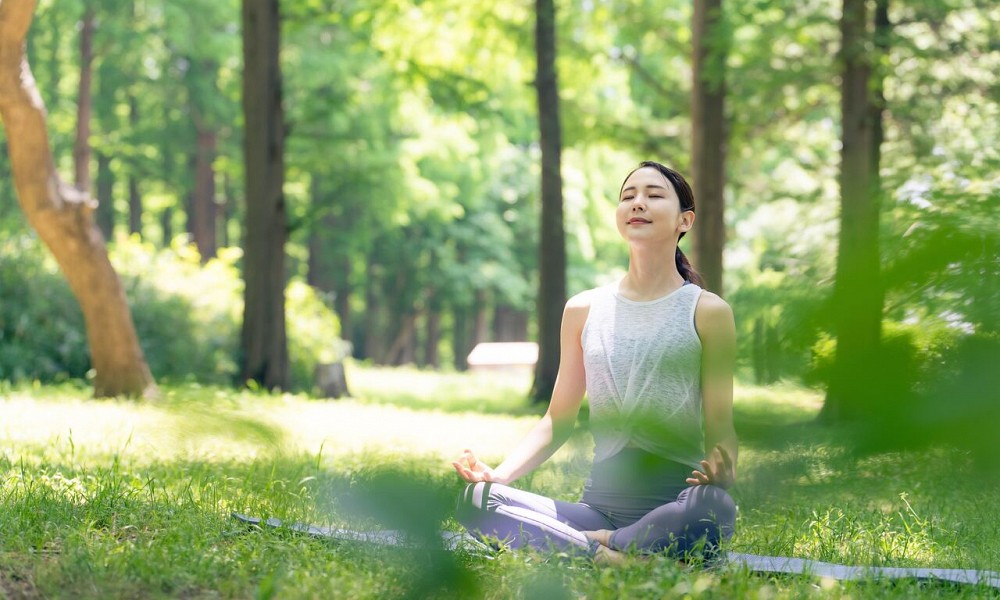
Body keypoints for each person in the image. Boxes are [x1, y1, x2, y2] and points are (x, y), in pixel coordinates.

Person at [452, 161, 738, 563]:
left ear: (684, 221)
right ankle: (610, 554)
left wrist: (723, 470)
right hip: (598, 508)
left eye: (654, 195)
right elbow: (557, 420)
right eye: (628, 196)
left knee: (715, 509)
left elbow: (721, 426)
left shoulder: (708, 312)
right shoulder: (583, 309)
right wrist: (497, 475)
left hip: (675, 504)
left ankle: (596, 543)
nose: (638, 203)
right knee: (477, 499)